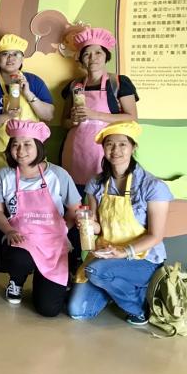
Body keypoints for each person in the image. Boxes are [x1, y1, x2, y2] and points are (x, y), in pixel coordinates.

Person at [68, 122, 173, 326]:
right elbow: (98, 226)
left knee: (96, 271)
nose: (116, 150)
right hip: (106, 253)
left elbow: (156, 236)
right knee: (78, 312)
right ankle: (113, 286)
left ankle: (139, 307)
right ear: (103, 148)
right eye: (109, 144)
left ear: (133, 147)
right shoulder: (96, 183)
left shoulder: (153, 186)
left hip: (142, 258)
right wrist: (87, 224)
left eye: (122, 144)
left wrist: (124, 252)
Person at [0, 120, 79, 316]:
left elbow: (74, 209)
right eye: (15, 145)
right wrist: (9, 230)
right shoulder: (3, 176)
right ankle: (17, 280)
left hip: (53, 242)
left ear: (38, 146)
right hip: (21, 238)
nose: (20, 150)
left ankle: (46, 281)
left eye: (27, 144)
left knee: (49, 310)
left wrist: (63, 230)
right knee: (19, 258)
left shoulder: (58, 175)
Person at [61, 27, 138, 189]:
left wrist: (94, 114)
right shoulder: (74, 85)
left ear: (106, 56)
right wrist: (73, 121)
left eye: (98, 53)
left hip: (107, 149)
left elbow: (132, 117)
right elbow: (64, 122)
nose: (92, 58)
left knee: (105, 192)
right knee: (76, 195)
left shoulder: (118, 83)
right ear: (81, 59)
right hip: (76, 149)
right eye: (87, 54)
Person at [0, 33, 54, 178]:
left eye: (15, 54)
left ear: (22, 58)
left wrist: (28, 93)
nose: (10, 58)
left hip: (32, 152)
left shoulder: (34, 81)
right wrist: (6, 116)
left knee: (33, 187)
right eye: (5, 54)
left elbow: (49, 115)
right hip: (1, 153)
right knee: (3, 187)